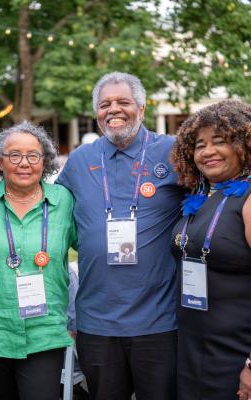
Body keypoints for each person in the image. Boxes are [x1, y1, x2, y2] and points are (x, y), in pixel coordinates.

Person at [57, 71, 185, 400]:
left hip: (158, 321)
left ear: (141, 108)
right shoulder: (79, 160)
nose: (113, 109)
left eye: (123, 102)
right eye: (105, 104)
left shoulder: (173, 153)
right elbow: (55, 218)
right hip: (97, 322)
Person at [0, 121, 76, 400]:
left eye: (33, 156)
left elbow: (91, 247)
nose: (24, 163)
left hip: (46, 330)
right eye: (14, 155)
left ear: (46, 162)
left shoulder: (64, 201)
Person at [170, 100, 251, 400]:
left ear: (244, 145)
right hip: (193, 351)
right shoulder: (199, 198)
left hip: (236, 354)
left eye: (220, 142)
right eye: (199, 145)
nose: (208, 152)